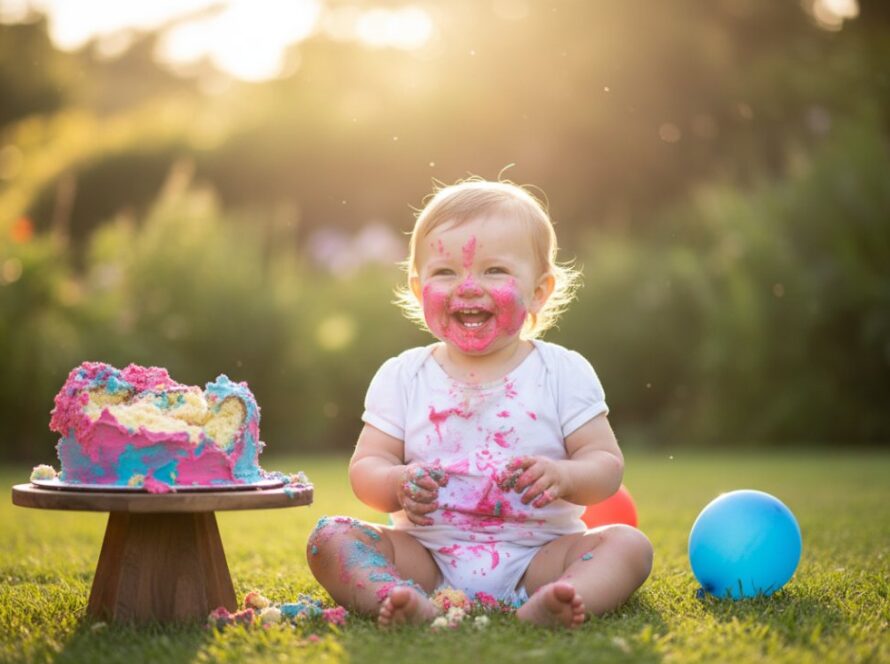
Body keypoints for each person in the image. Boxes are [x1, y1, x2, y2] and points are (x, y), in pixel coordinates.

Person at [307, 178, 653, 628]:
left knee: (629, 545)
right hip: (425, 555)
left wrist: (564, 475)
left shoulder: (562, 372)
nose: (468, 287)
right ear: (417, 288)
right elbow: (366, 468)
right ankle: (398, 596)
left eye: (494, 271)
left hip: (540, 555)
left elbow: (605, 464)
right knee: (330, 537)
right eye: (445, 272)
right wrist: (398, 482)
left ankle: (558, 598)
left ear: (539, 291)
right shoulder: (404, 375)